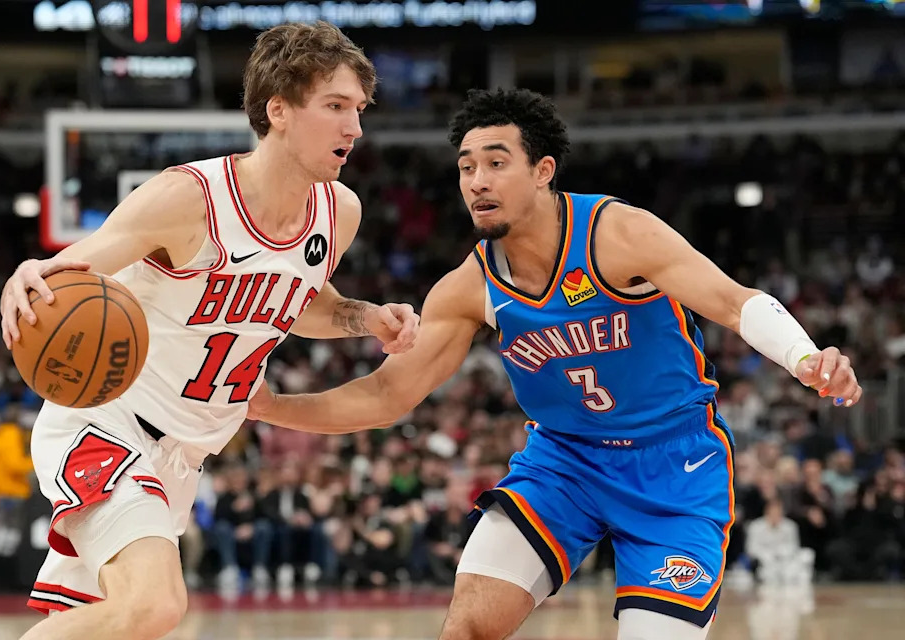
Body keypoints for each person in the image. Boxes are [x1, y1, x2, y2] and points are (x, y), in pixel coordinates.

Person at [248, 88, 862, 640]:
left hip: (674, 465)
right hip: (564, 462)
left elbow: (733, 301)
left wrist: (804, 357)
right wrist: (272, 407)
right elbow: (385, 397)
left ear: (543, 171)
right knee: (465, 627)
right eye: (466, 168)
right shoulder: (470, 286)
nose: (476, 181)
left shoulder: (617, 233)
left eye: (495, 162)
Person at [0, 21, 419, 640]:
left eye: (358, 109)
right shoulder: (187, 198)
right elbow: (69, 273)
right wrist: (27, 276)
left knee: (114, 624)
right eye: (334, 107)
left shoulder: (340, 211)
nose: (354, 128)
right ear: (278, 110)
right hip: (107, 424)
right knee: (157, 606)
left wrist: (365, 318)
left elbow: (300, 303)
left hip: (182, 458)